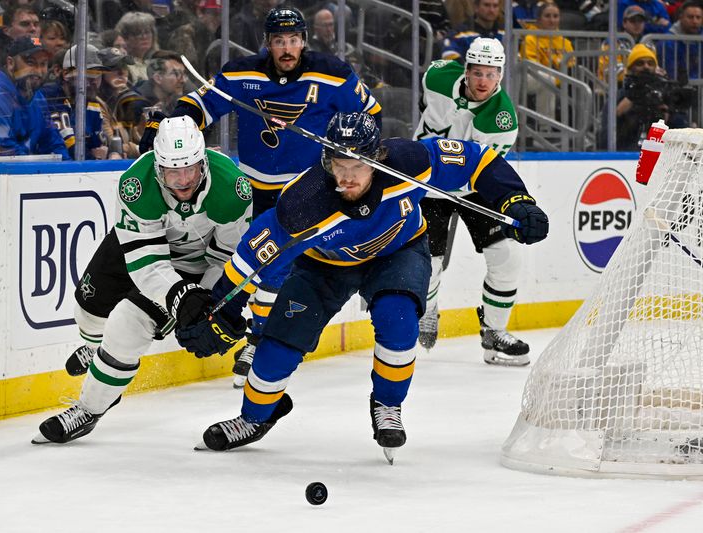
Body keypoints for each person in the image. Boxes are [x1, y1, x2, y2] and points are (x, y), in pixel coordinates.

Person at [173, 112, 548, 457]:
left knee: (398, 320)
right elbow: (249, 260)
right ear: (327, 162)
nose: (348, 177)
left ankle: (387, 404)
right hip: (324, 268)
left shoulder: (410, 162)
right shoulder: (303, 205)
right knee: (276, 349)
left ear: (377, 158)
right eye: (339, 166)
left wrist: (515, 199)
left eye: (358, 166)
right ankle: (255, 418)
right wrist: (219, 306)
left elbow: (478, 159)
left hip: (398, 252)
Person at [160, 6, 382, 387]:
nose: (286, 48)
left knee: (276, 265)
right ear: (267, 43)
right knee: (246, 260)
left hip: (305, 190)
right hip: (252, 187)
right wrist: (165, 124)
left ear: (304, 40)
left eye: (293, 40)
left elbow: (370, 117)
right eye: (279, 41)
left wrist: (344, 143)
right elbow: (200, 105)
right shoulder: (241, 73)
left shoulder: (333, 75)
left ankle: (258, 339)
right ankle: (244, 329)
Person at [32, 116, 253, 444]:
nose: (182, 181)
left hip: (194, 263)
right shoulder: (136, 185)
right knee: (87, 308)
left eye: (189, 169)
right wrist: (179, 296)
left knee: (126, 324)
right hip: (139, 247)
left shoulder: (232, 189)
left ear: (203, 163)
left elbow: (227, 259)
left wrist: (205, 301)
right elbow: (147, 263)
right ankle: (98, 353)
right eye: (172, 172)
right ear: (157, 168)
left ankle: (90, 407)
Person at [414, 38, 529, 366]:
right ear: (465, 70)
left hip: (474, 183)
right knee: (428, 261)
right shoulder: (436, 77)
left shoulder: (502, 120)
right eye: (476, 72)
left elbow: (485, 170)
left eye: (491, 74)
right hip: (425, 180)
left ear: (500, 76)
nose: (482, 81)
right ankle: (428, 311)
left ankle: (494, 332)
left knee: (507, 255)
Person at [0, 36, 69, 159]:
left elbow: (52, 141)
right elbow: (5, 149)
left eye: (43, 64)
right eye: (30, 63)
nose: (38, 71)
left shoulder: (37, 95)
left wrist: (67, 167)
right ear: (10, 63)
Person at [42, 45, 109, 160]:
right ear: (66, 74)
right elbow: (71, 148)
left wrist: (112, 152)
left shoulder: (92, 103)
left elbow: (98, 146)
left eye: (98, 74)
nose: (94, 80)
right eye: (87, 74)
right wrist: (93, 156)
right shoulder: (50, 97)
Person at [519, 1, 575, 120]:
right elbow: (532, 65)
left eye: (555, 16)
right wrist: (555, 75)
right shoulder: (530, 38)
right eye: (547, 16)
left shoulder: (566, 43)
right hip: (533, 78)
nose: (552, 20)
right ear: (539, 19)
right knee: (547, 80)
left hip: (560, 81)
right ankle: (545, 127)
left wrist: (558, 77)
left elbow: (571, 66)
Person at [660, 0, 703, 80]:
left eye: (698, 17)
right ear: (681, 17)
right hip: (679, 89)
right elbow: (671, 73)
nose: (695, 21)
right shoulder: (668, 42)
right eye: (690, 17)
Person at [136, 52, 187, 116]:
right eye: (176, 74)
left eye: (184, 74)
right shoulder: (137, 105)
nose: (183, 80)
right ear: (158, 78)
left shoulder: (180, 102)